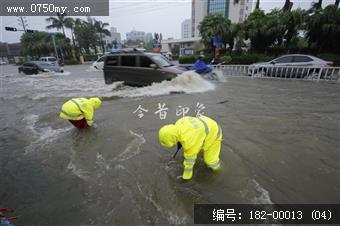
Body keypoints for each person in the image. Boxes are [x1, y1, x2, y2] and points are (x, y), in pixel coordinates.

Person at [158, 115, 222, 180]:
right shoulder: (179, 122)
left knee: (210, 162)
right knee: (196, 146)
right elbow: (181, 136)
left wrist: (186, 177)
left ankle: (219, 172)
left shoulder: (189, 142)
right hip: (206, 122)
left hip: (214, 132)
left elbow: (190, 161)